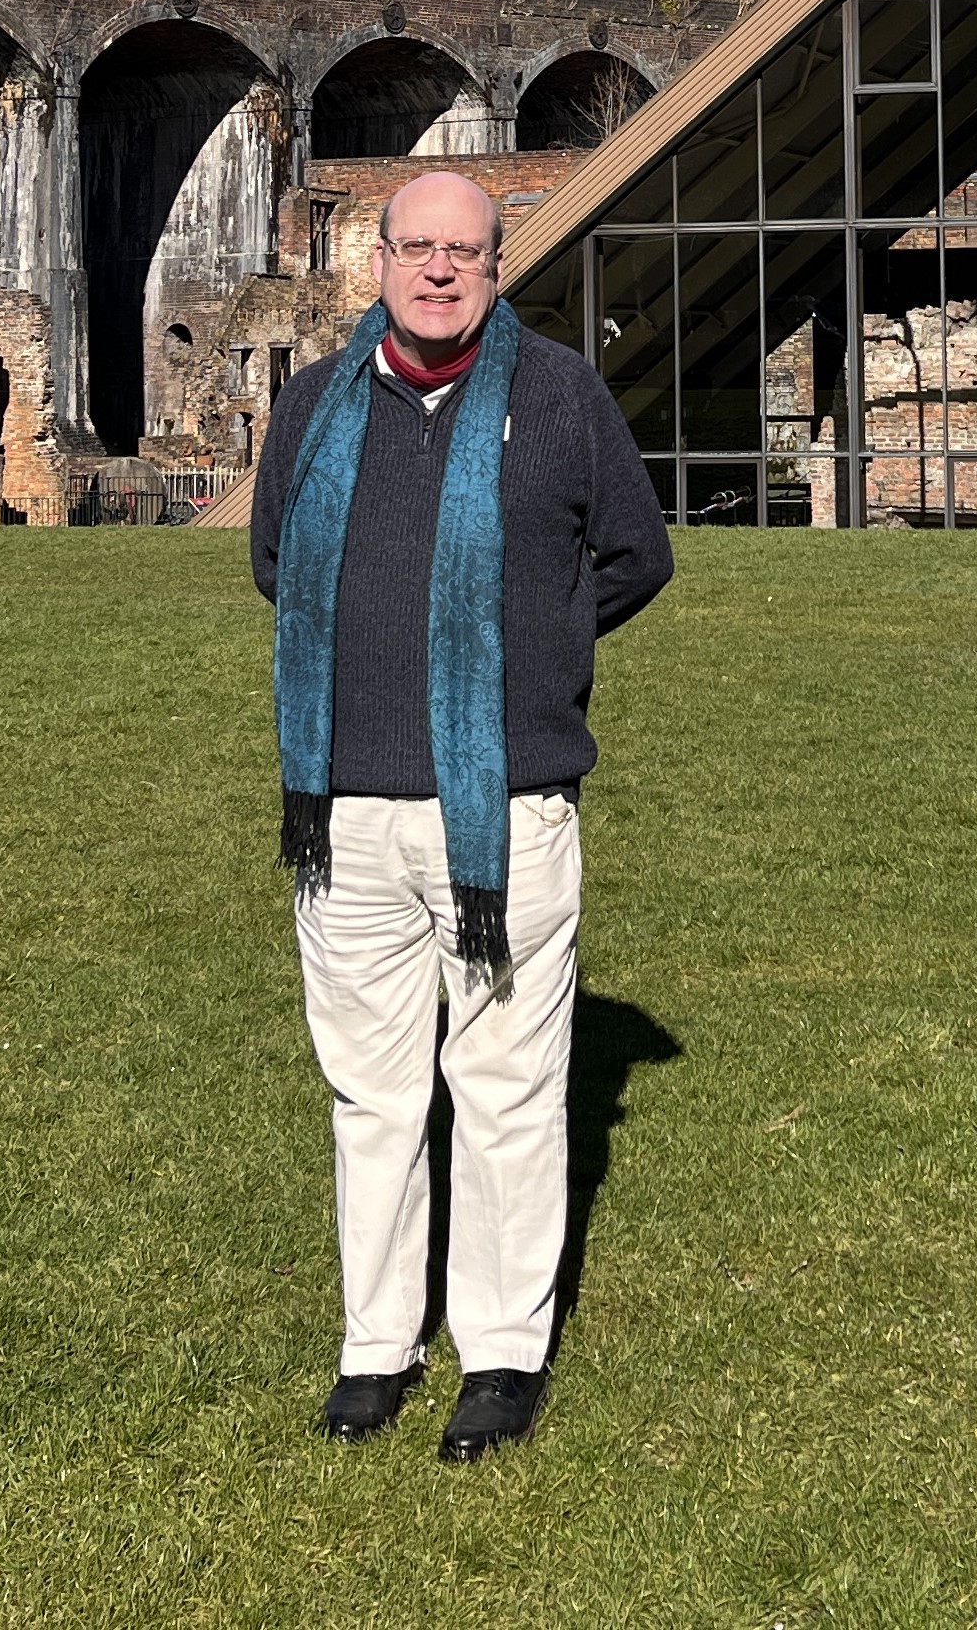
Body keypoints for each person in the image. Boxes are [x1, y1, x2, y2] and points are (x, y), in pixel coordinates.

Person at [251, 168, 672, 1462]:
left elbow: (637, 555)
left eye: (466, 251)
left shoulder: (554, 396)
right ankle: (375, 1346)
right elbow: (273, 563)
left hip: (505, 811)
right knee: (370, 1097)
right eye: (416, 247)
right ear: (376, 259)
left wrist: (515, 659)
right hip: (348, 811)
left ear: (498, 266)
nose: (439, 270)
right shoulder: (315, 404)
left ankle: (498, 1353)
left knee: (503, 1095)